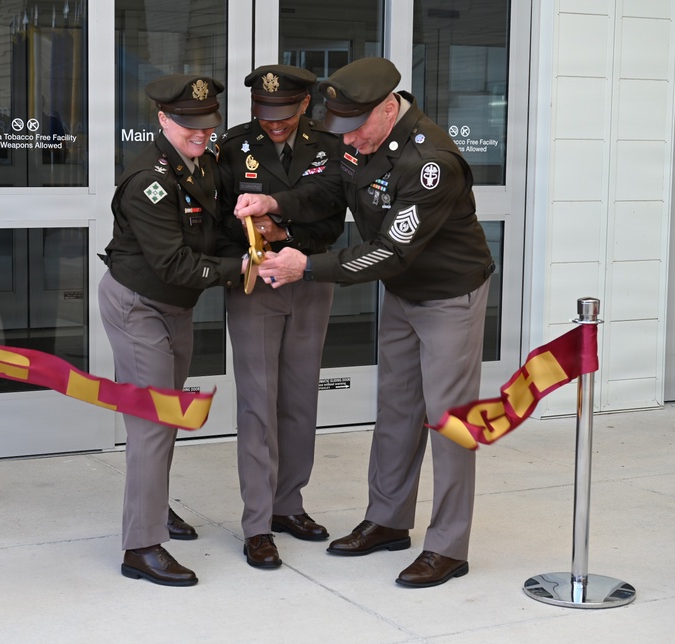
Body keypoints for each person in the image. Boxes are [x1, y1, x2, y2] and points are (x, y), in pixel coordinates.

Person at [234, 57, 495, 588]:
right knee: (396, 410)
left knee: (449, 421)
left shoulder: (431, 162)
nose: (348, 143)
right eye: (341, 130)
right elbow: (328, 191)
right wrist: (275, 202)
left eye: (355, 130)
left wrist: (307, 266)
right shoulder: (360, 141)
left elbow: (391, 251)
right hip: (402, 294)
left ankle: (448, 546)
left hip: (447, 296)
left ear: (386, 109)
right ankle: (388, 520)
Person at [98, 74, 247, 587]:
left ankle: (155, 509)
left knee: (168, 416)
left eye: (208, 125)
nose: (201, 135)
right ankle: (140, 547)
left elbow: (218, 225)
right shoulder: (149, 180)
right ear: (163, 120)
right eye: (189, 126)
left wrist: (257, 236)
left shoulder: (202, 161)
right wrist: (244, 268)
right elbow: (175, 264)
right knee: (154, 423)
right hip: (140, 304)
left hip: (174, 308)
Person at [217, 65, 346, 569]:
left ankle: (288, 505)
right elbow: (220, 216)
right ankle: (256, 524)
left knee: (300, 396)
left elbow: (333, 207)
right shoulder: (231, 147)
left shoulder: (328, 145)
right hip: (256, 285)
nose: (274, 124)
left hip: (310, 278)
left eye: (284, 115)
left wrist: (280, 225)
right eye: (264, 115)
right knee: (257, 402)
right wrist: (258, 237)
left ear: (305, 106)